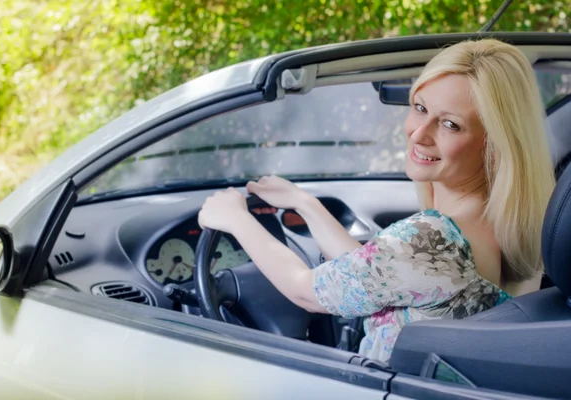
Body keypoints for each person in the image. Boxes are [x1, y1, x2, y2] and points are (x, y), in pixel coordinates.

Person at [197, 38, 555, 362]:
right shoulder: (505, 222)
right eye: (419, 107)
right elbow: (381, 272)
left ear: (492, 144)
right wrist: (305, 204)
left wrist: (235, 219)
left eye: (450, 125)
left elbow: (306, 292)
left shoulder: (431, 240)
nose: (418, 133)